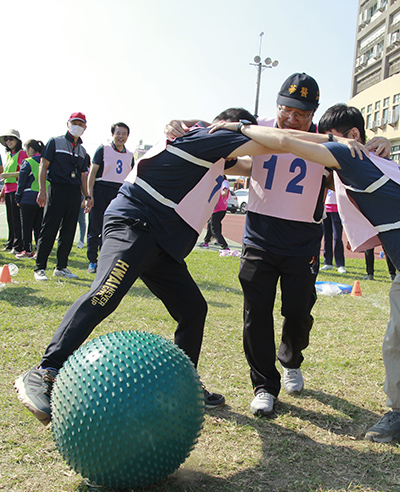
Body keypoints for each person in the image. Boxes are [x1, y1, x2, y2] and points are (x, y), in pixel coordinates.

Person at [210, 103, 400, 450]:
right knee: (396, 341)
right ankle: (399, 410)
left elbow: (287, 142)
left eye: (327, 137)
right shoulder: (354, 158)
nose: (321, 144)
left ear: (350, 138)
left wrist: (240, 128)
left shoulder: (349, 155)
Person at [14, 107, 273, 425]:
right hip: (135, 226)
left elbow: (252, 163)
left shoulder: (219, 156)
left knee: (193, 309)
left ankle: (183, 386)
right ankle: (45, 371)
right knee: (105, 293)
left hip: (162, 244)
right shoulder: (201, 140)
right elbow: (262, 145)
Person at [166, 75, 390, 418]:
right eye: (286, 109)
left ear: (313, 113)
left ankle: (291, 359)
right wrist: (189, 128)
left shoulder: (323, 140)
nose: (291, 118)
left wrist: (380, 142)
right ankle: (264, 385)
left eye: (300, 113)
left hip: (303, 238)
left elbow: (350, 164)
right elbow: (229, 147)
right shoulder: (259, 129)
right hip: (260, 233)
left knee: (299, 312)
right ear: (277, 106)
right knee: (256, 312)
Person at [34, 112, 92, 281]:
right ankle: (40, 268)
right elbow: (43, 167)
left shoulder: (82, 151)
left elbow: (83, 176)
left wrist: (87, 196)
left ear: (85, 128)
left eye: (81, 124)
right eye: (74, 123)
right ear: (68, 124)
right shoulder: (55, 142)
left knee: (68, 230)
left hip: (74, 192)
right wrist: (42, 190)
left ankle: (61, 267)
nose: (77, 127)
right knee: (49, 228)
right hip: (57, 189)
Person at [85, 122, 135, 273]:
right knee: (95, 227)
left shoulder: (130, 155)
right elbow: (92, 174)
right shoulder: (103, 150)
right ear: (112, 134)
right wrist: (89, 194)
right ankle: (92, 261)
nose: (121, 136)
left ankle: (106, 261)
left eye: (124, 134)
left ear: (127, 136)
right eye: (118, 133)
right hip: (101, 190)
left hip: (118, 193)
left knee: (113, 229)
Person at [15, 140, 45, 259]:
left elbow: (21, 182)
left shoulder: (28, 162)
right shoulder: (46, 162)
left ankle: (27, 250)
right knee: (39, 226)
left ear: (31, 149)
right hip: (43, 198)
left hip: (28, 198)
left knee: (26, 226)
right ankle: (39, 250)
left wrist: (18, 197)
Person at [0, 129, 27, 253]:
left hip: (16, 189)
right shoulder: (10, 155)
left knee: (16, 219)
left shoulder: (21, 154)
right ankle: (10, 243)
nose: (9, 141)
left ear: (17, 141)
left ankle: (18, 245)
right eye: (7, 139)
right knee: (10, 219)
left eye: (11, 139)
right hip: (8, 189)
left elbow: (23, 172)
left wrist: (8, 175)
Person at [320, 190, 346, 274]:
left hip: (337, 209)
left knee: (337, 237)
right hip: (326, 209)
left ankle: (340, 264)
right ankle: (328, 262)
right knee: (327, 237)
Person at [200, 179, 230, 250]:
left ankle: (225, 246)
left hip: (218, 209)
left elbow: (224, 192)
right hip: (219, 209)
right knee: (210, 224)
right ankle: (205, 242)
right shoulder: (217, 183)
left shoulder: (223, 182)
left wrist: (216, 196)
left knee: (214, 229)